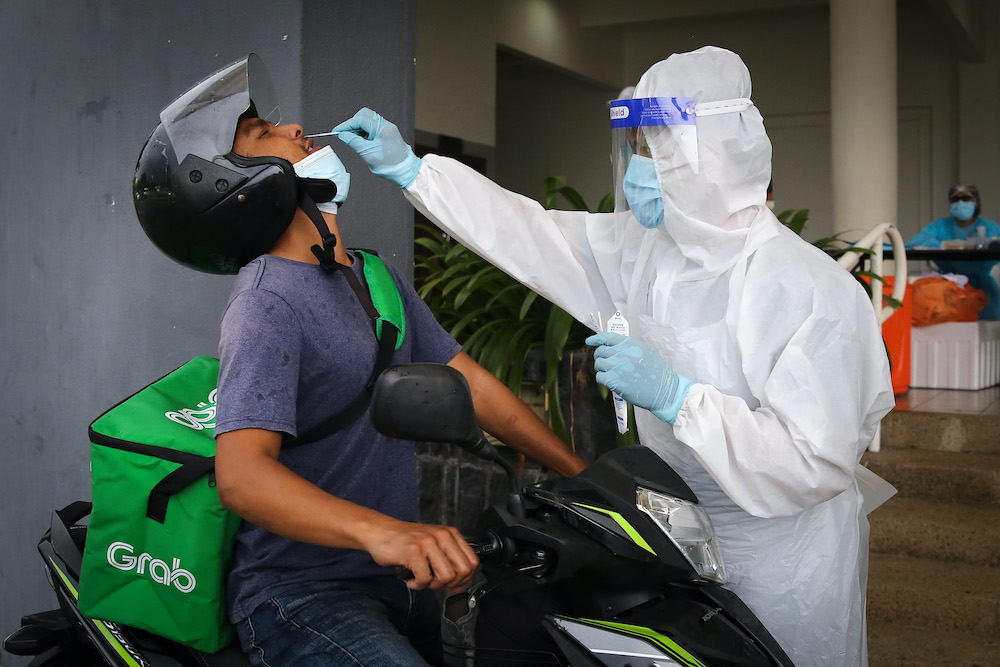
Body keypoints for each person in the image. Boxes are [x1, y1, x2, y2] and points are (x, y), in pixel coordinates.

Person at [334, 46, 896, 666]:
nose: (639, 169)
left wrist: (682, 399)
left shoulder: (808, 289)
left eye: (657, 150)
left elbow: (811, 463)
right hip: (672, 534)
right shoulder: (648, 249)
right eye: (637, 149)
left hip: (781, 558)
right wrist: (416, 172)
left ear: (711, 158)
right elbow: (534, 234)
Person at [132, 55, 586, 667]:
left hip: (401, 585)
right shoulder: (266, 303)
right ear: (234, 187)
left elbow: (469, 382)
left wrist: (580, 479)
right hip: (303, 594)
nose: (296, 130)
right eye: (266, 134)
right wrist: (385, 532)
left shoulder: (373, 276)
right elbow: (242, 475)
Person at [907, 183, 1000, 320]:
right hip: (948, 287)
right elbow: (914, 242)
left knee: (984, 331)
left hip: (982, 288)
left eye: (966, 198)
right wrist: (944, 245)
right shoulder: (941, 225)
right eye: (956, 199)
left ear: (976, 202)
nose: (960, 203)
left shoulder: (988, 226)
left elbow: (994, 248)